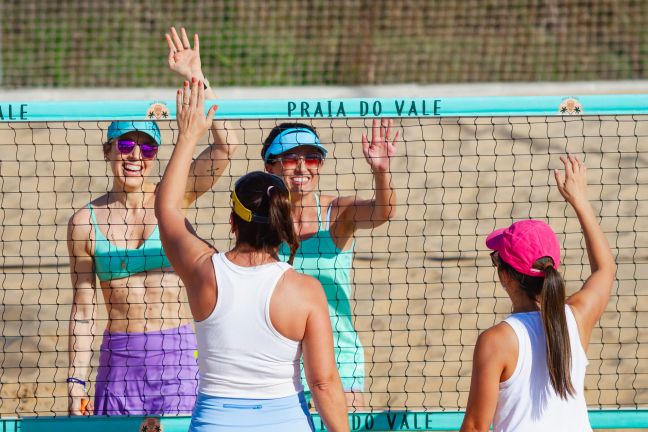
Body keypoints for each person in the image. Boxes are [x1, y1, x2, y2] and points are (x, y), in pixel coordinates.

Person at [156, 77, 350, 431]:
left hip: (216, 422)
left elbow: (167, 208)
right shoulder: (306, 290)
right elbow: (323, 384)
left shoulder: (204, 272)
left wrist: (187, 136)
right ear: (283, 224)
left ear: (233, 220)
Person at [67, 27, 237, 415]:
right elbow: (83, 310)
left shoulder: (173, 196)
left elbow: (226, 148)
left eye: (147, 147)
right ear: (108, 151)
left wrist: (198, 77)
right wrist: (75, 383)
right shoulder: (84, 223)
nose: (135, 156)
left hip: (178, 356)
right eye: (126, 145)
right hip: (120, 359)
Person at [459, 156, 616, 432]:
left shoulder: (496, 341)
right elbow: (605, 269)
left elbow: (475, 427)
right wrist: (580, 200)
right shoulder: (576, 318)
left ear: (506, 277)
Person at [261, 119, 399, 407]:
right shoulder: (260, 220)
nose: (302, 167)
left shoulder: (337, 213)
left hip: (338, 357)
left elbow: (383, 213)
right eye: (290, 158)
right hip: (278, 361)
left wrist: (381, 172)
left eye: (311, 157)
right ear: (270, 166)